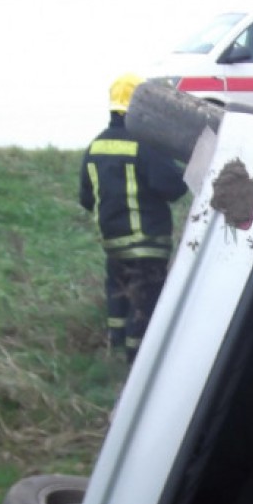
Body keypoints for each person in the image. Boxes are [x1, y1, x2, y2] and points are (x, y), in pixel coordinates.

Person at [79, 75, 189, 365]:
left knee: (118, 298)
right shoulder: (145, 144)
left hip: (113, 243)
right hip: (147, 243)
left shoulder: (95, 146)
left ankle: (115, 352)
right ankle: (139, 362)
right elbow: (174, 187)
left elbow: (86, 198)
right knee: (144, 306)